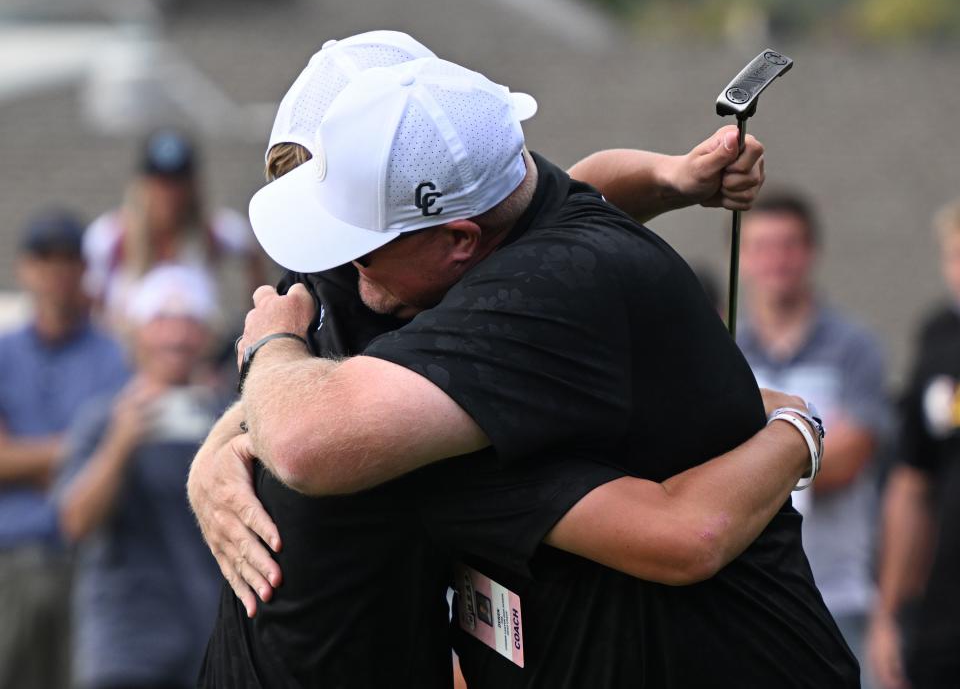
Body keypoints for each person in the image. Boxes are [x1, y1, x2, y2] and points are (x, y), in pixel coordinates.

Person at [191, 46, 856, 687]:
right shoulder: (466, 261)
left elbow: (308, 439)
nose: (345, 273)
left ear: (460, 241)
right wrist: (224, 445)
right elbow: (576, 190)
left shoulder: (521, 317)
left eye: (363, 250)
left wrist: (265, 350)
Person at [736, 191, 889, 685]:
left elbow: (850, 459)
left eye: (789, 246)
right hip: (753, 598)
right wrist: (809, 445)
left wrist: (743, 470)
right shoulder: (726, 353)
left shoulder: (855, 347)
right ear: (744, 259)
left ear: (811, 253)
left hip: (839, 594)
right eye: (763, 247)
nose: (777, 260)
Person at [56, 265, 224, 689]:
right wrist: (121, 441)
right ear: (137, 335)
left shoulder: (230, 418)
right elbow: (75, 522)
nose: (177, 336)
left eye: (190, 321)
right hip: (125, 645)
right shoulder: (104, 417)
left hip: (211, 643)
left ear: (206, 336)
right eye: (161, 321)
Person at [0, 209, 129, 689]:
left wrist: (25, 456)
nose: (55, 271)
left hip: (88, 563)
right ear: (24, 268)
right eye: (43, 258)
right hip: (10, 562)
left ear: (83, 269)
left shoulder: (114, 357)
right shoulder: (4, 352)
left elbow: (120, 455)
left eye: (66, 259)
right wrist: (81, 452)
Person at [867, 199, 960, 689]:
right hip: (943, 616)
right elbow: (911, 482)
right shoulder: (938, 337)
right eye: (957, 257)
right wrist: (887, 615)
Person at [83, 129, 266, 330]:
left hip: (196, 349)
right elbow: (93, 305)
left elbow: (250, 249)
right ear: (142, 185)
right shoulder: (110, 236)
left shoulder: (213, 231)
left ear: (193, 186)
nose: (169, 194)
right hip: (129, 352)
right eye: (160, 183)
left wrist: (253, 325)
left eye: (178, 183)